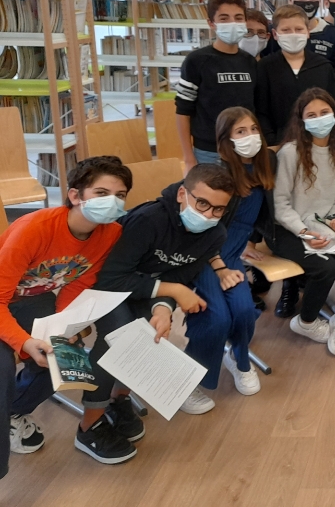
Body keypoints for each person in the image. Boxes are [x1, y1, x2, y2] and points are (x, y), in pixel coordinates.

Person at [79, 164, 234, 464]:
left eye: (219, 209)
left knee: (150, 334)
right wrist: (171, 292)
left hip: (145, 289)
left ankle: (118, 401)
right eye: (202, 203)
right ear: (182, 194)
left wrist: (163, 309)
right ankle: (89, 426)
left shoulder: (216, 234)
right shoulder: (148, 220)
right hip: (107, 286)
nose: (208, 215)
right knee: (118, 337)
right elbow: (110, 278)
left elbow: (180, 276)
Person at [0, 157, 131, 476]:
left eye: (120, 195)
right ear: (75, 195)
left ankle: (13, 412)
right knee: (5, 368)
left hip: (33, 299)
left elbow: (80, 280)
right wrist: (24, 342)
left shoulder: (111, 233)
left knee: (62, 359)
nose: (112, 202)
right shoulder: (34, 229)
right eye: (101, 193)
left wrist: (66, 323)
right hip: (3, 299)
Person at [182, 108, 274, 408]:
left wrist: (248, 243)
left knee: (245, 310)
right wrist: (218, 262)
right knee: (217, 317)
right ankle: (187, 382)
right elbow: (198, 228)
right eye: (241, 132)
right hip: (206, 258)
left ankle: (239, 358)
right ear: (226, 140)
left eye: (253, 129)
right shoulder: (219, 176)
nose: (250, 137)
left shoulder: (262, 170)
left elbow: (256, 218)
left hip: (233, 255)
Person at [271, 88, 335, 353]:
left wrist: (334, 223)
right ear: (301, 120)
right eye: (312, 115)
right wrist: (304, 233)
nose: (319, 119)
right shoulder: (290, 153)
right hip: (287, 229)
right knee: (325, 267)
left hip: (319, 225)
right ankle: (306, 322)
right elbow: (280, 206)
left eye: (325, 112)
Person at [176, 0, 257, 169]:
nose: (232, 23)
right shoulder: (196, 61)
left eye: (238, 18)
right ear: (211, 23)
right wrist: (188, 157)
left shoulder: (250, 62)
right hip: (209, 152)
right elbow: (183, 111)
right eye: (224, 18)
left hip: (246, 148)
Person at [255, 4, 335, 146]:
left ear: (308, 32)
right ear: (275, 34)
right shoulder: (265, 67)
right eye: (286, 30)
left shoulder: (323, 66)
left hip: (319, 141)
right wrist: (272, 142)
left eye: (299, 29)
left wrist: (331, 139)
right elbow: (261, 110)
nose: (293, 34)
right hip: (279, 144)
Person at [285, 0, 335, 70]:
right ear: (290, 0)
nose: (307, 1)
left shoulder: (331, 33)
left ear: (319, 1)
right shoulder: (281, 32)